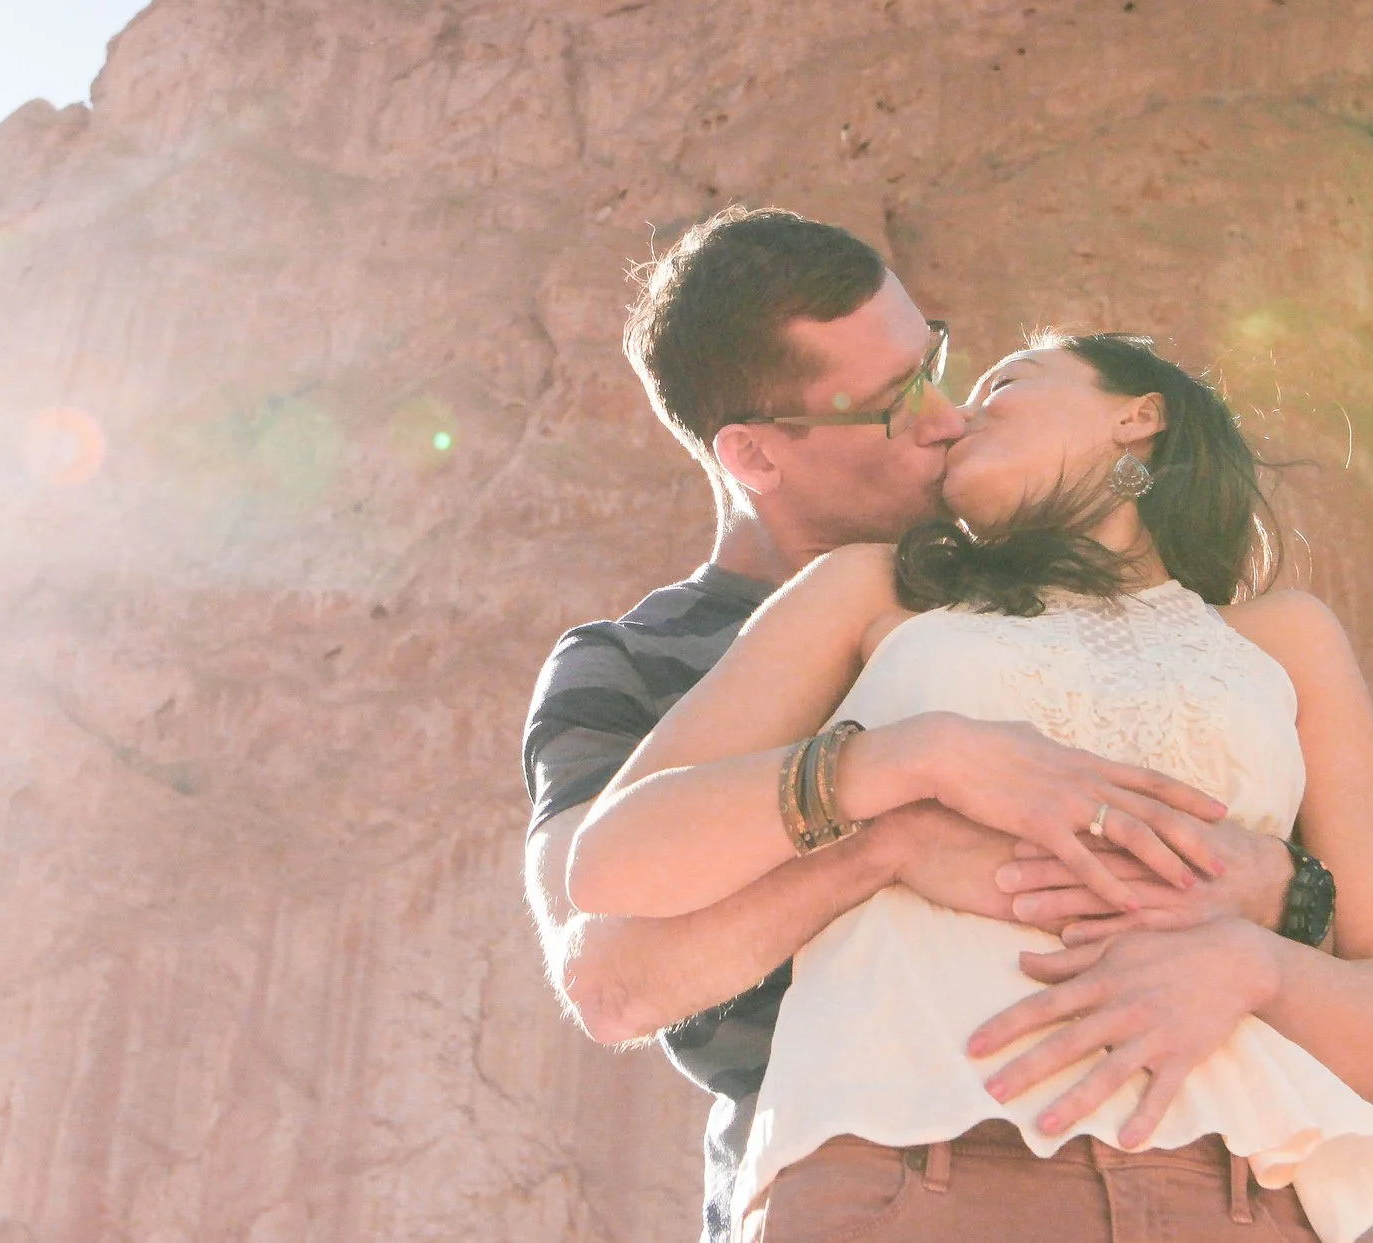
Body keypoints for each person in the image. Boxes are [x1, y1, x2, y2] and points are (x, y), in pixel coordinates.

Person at [521, 208, 1315, 1243]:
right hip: (865, 1173)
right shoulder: (625, 667)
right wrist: (892, 828)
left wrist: (1284, 888)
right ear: (755, 454)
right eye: (892, 402)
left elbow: (1263, 868)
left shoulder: (1022, 593)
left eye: (931, 362)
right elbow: (610, 978)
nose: (942, 416)